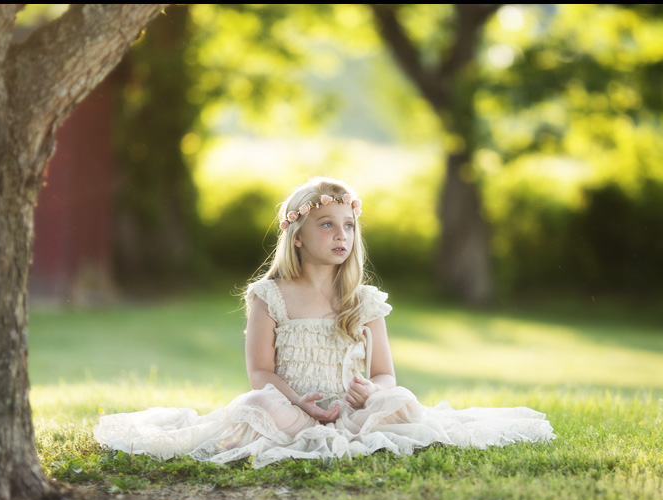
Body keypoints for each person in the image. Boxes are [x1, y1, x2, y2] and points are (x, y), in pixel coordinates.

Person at [94, 176, 555, 467]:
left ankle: (354, 422)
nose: (342, 236)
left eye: (348, 226)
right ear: (297, 237)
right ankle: (303, 426)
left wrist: (372, 392)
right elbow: (261, 372)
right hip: (294, 405)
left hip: (351, 409)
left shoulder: (364, 300)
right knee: (258, 403)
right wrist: (300, 403)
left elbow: (384, 372)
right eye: (327, 225)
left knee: (400, 398)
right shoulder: (268, 296)